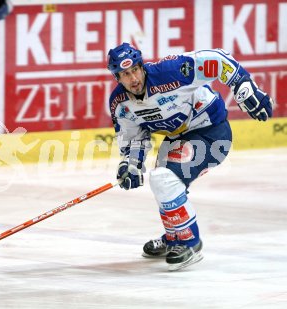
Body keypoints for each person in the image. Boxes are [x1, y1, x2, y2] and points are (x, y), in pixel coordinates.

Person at [106, 43, 274, 271]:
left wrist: (244, 86)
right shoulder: (120, 103)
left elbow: (217, 59)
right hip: (178, 138)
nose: (133, 78)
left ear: (142, 66)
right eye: (125, 74)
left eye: (135, 69)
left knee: (165, 178)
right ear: (117, 77)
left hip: (211, 132)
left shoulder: (171, 72)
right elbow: (135, 138)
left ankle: (189, 243)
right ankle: (174, 236)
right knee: (160, 181)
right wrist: (131, 163)